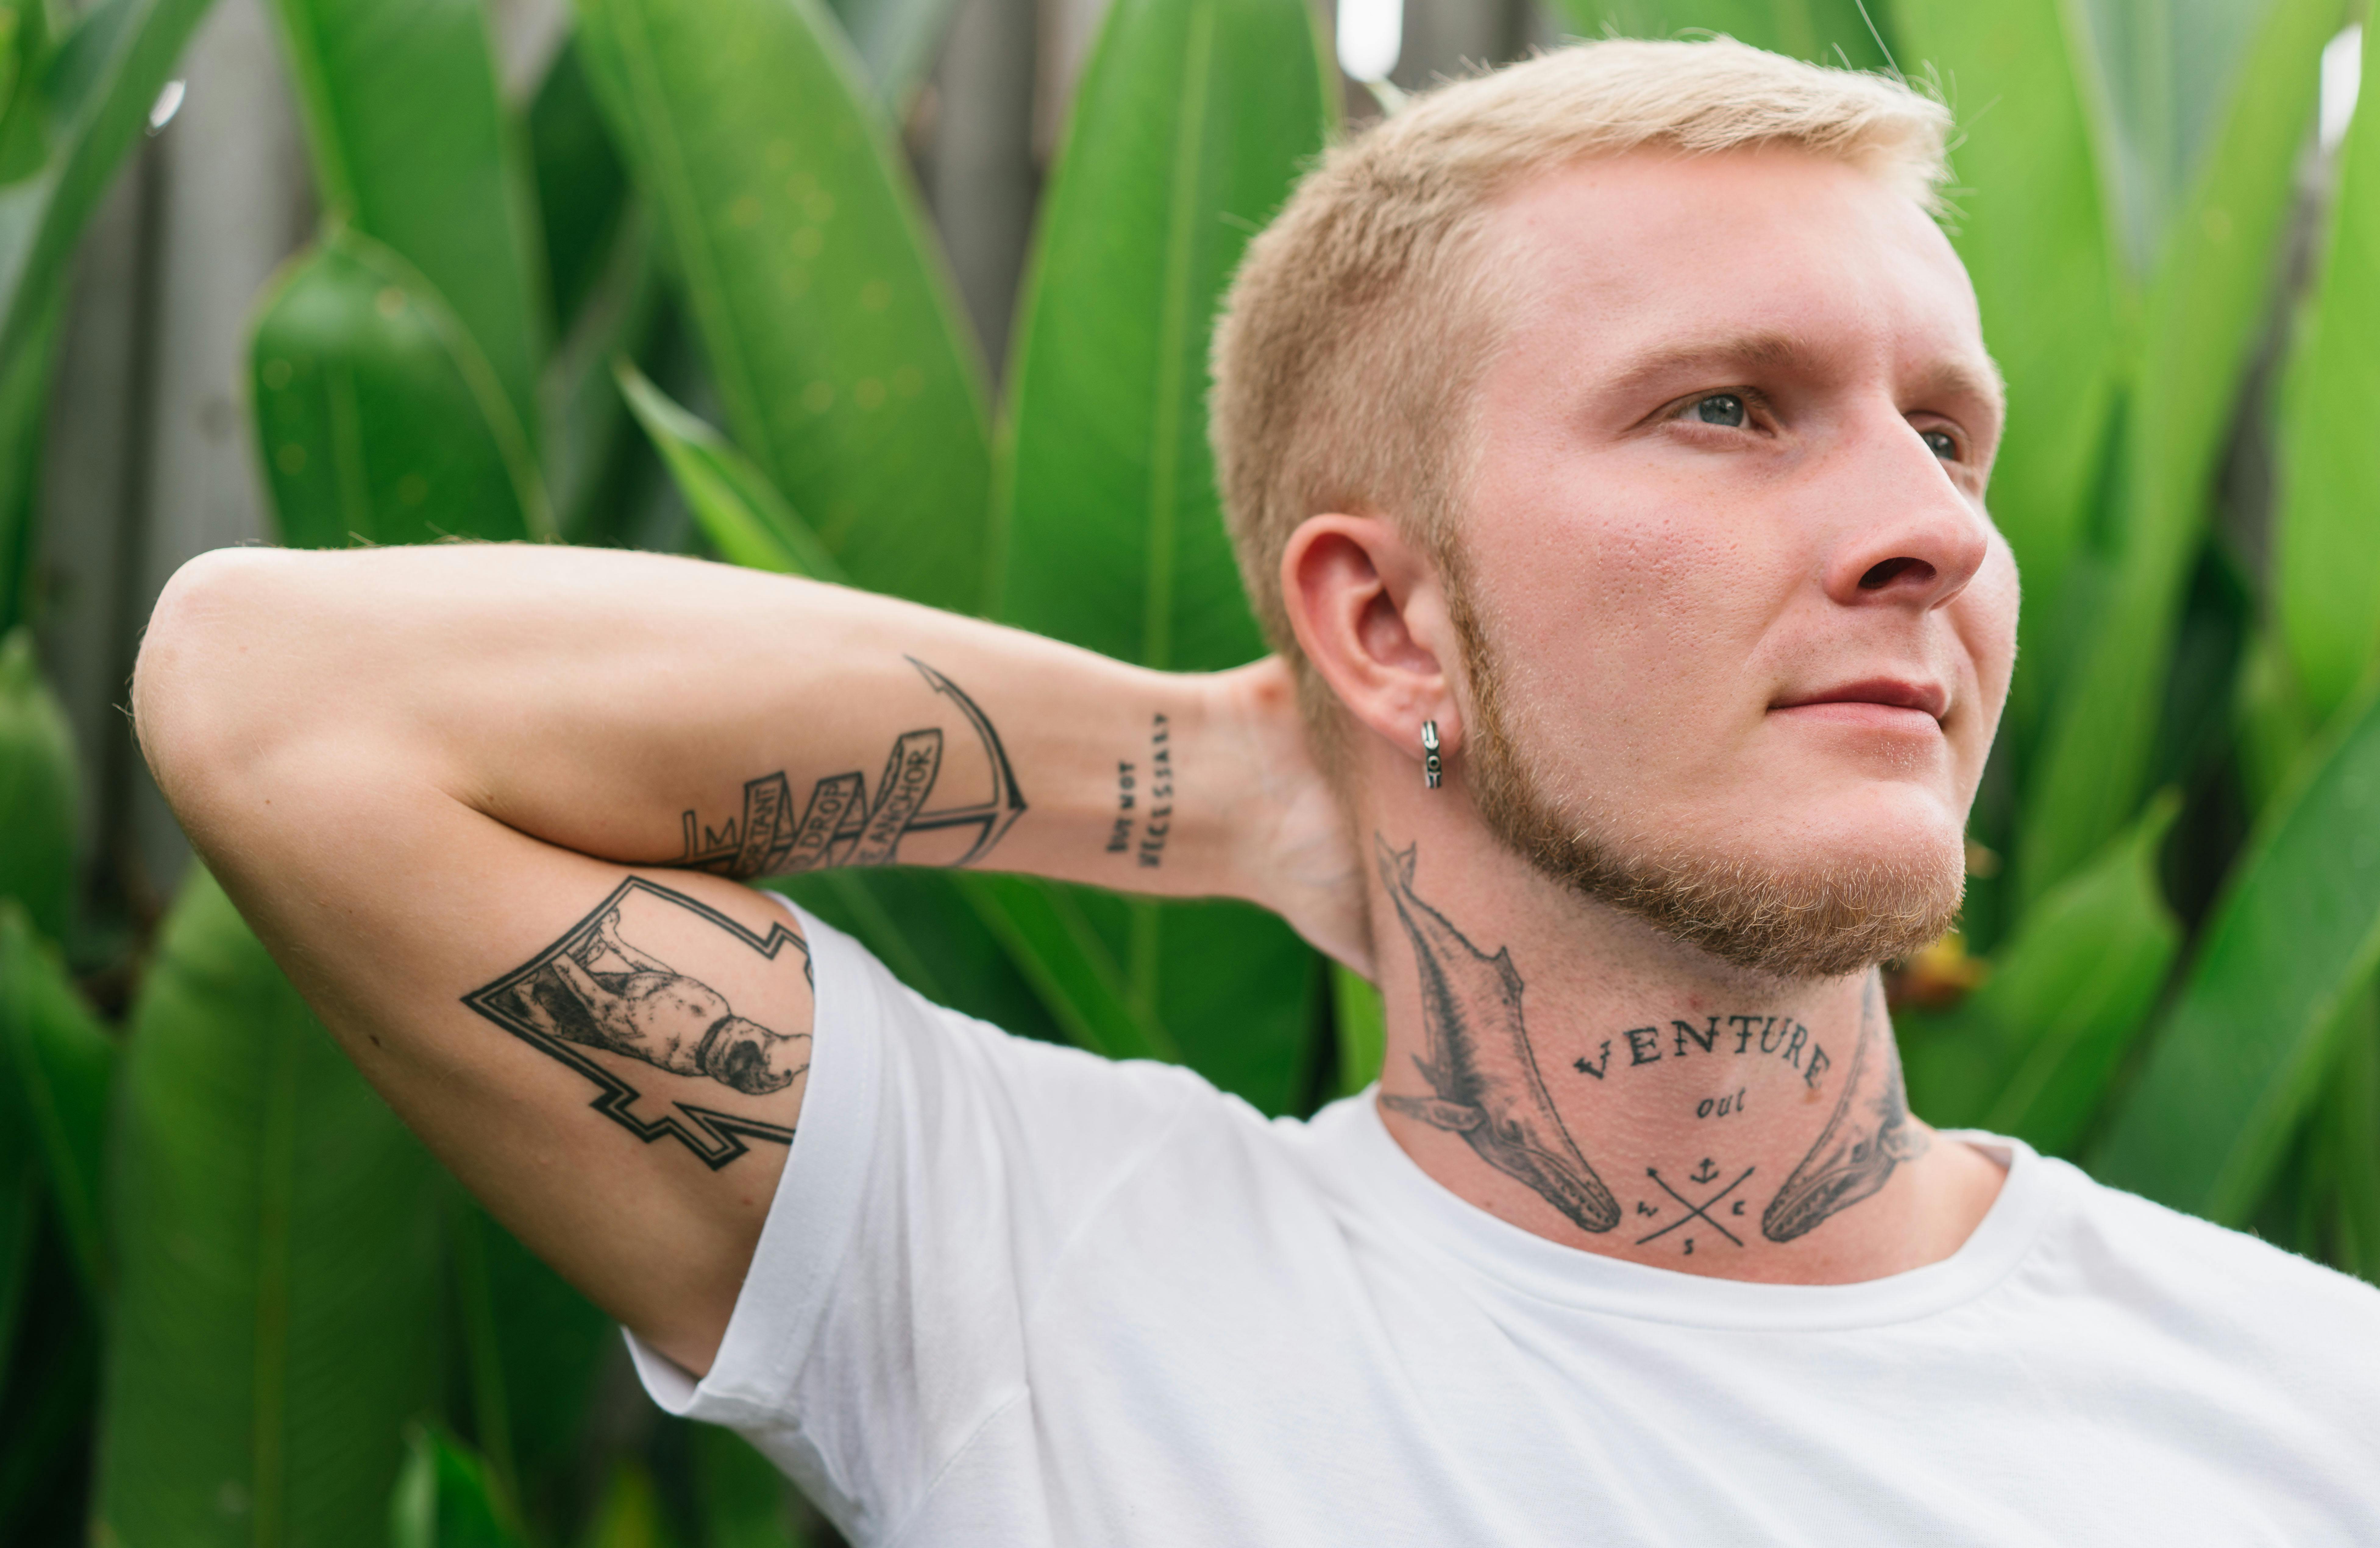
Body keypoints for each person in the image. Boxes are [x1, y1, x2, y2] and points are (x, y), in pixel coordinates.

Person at [132, 36, 2378, 1546]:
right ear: (1381, 620)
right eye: (1728, 408)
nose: (1935, 532)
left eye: (1945, 431)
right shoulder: (1027, 1266)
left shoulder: (2312, 1407)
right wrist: (1232, 780)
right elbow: (278, 701)